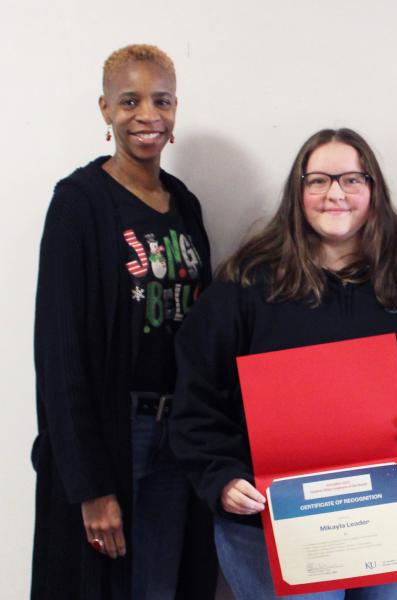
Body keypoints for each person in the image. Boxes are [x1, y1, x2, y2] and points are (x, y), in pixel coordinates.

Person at [169, 127, 397, 600]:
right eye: (318, 181)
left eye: (352, 179)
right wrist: (221, 477)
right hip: (275, 523)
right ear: (298, 192)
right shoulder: (246, 284)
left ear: (374, 190)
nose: (335, 194)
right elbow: (197, 397)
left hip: (387, 521)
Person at [31, 44, 217, 599]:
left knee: (161, 586)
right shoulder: (79, 204)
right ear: (105, 109)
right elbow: (59, 352)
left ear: (176, 109)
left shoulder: (184, 204)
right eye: (130, 101)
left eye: (162, 100)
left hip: (177, 433)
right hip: (117, 432)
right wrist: (90, 485)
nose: (147, 115)